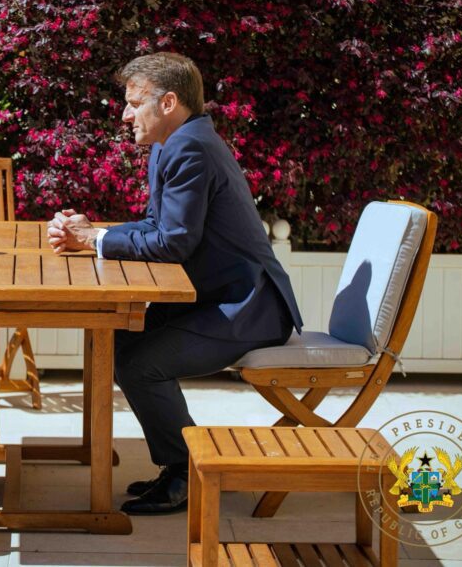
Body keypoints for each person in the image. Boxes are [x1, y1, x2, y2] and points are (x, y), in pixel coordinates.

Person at [47, 52, 302, 515]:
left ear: (168, 102)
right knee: (123, 340)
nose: (124, 114)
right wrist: (94, 232)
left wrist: (93, 240)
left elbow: (174, 242)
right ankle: (177, 466)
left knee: (140, 362)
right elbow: (155, 225)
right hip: (217, 297)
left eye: (133, 103)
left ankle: (187, 473)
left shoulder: (190, 146)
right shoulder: (172, 143)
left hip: (249, 308)